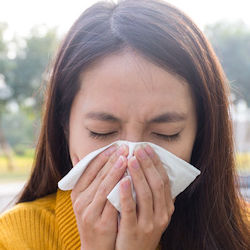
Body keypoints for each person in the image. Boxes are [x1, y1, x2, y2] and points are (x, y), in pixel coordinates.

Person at [0, 0, 249, 249]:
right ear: (64, 125)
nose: (130, 160)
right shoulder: (14, 238)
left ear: (201, 132)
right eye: (102, 132)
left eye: (166, 133)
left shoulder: (242, 231)